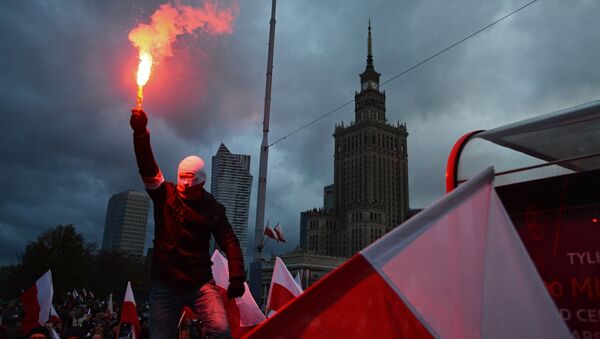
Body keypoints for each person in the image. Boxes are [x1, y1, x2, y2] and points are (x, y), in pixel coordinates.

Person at [129, 108, 246, 338]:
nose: (183, 191)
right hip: (165, 282)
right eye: (181, 185)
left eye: (188, 188)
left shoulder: (213, 209)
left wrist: (237, 277)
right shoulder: (165, 196)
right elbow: (147, 166)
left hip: (199, 283)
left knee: (221, 331)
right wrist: (141, 133)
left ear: (200, 184)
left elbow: (229, 242)